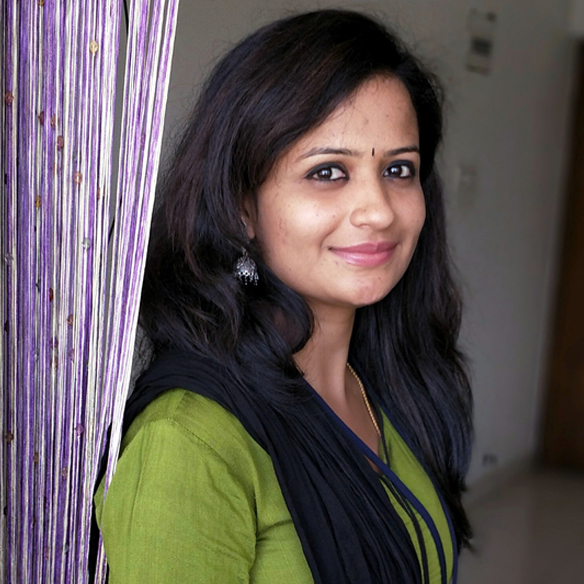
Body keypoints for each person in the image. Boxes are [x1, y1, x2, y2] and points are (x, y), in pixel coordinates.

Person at [94, 9, 473, 584]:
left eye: (399, 169)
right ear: (241, 206)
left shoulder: (390, 386)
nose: (379, 211)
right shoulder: (190, 441)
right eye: (328, 172)